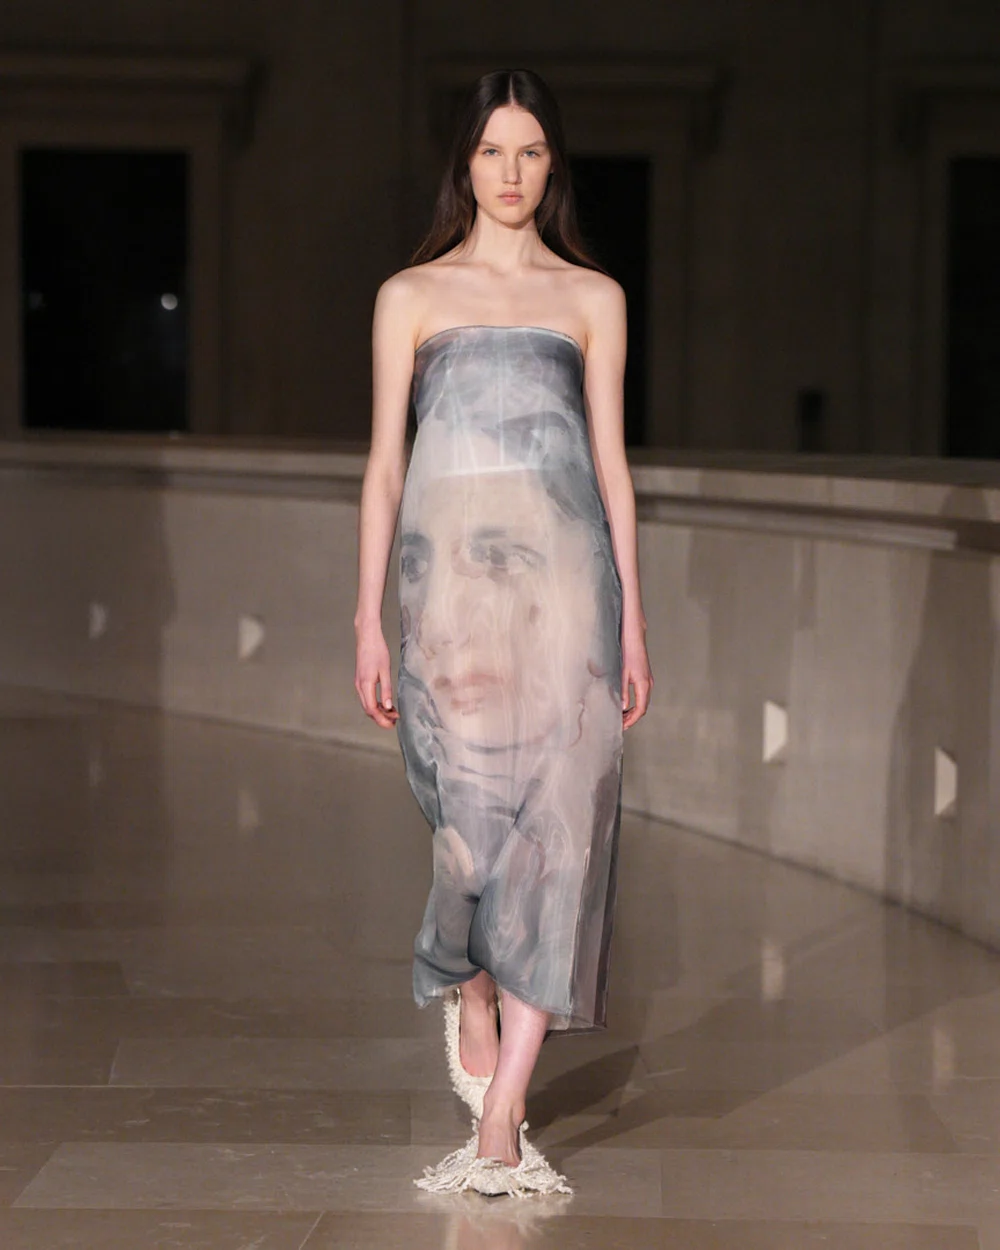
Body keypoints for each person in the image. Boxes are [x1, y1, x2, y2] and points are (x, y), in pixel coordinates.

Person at [354, 67, 652, 1195]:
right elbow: (385, 469)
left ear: (551, 164)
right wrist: (366, 615)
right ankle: (466, 977)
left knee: (559, 833)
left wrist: (633, 621)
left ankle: (504, 1113)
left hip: (567, 597)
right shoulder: (410, 295)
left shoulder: (592, 298)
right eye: (492, 152)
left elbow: (612, 471)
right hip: (447, 605)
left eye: (529, 152)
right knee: (469, 841)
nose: (511, 173)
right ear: (465, 164)